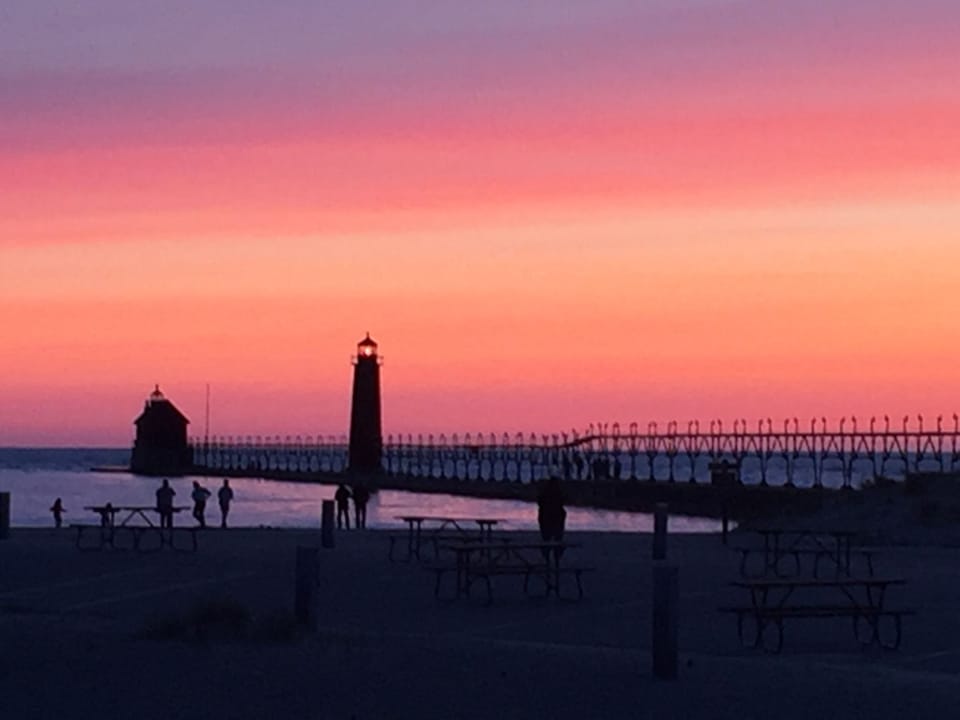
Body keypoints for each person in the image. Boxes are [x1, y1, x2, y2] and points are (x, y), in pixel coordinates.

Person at [537, 476, 567, 561]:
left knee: (546, 539)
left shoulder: (544, 494)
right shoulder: (558, 494)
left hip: (546, 520)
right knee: (558, 539)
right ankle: (556, 557)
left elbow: (539, 503)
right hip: (556, 520)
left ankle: (547, 557)